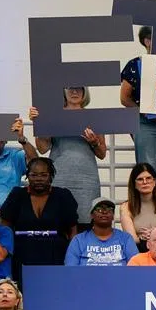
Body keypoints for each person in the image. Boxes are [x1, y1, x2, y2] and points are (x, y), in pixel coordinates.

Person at [29, 94, 107, 228]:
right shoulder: (53, 116)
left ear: (85, 91)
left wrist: (94, 142)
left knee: (85, 223)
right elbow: (42, 148)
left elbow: (102, 153)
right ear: (64, 91)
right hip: (59, 177)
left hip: (86, 180)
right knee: (58, 222)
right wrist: (40, 123)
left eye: (79, 88)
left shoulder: (93, 117)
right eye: (71, 88)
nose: (75, 92)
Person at [120, 25, 156, 200]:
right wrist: (144, 111)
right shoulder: (135, 65)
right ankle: (145, 211)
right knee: (146, 170)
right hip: (145, 124)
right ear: (147, 41)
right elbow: (124, 98)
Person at [0, 157, 78, 284]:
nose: (38, 179)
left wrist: (71, 257)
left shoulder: (63, 196)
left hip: (56, 254)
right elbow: (5, 227)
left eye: (43, 175)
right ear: (27, 176)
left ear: (51, 176)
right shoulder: (17, 195)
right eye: (34, 175)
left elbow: (72, 229)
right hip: (23, 253)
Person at [119, 162, 156, 252]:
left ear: (154, 182)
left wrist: (154, 235)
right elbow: (131, 239)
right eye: (140, 179)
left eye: (149, 178)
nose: (145, 182)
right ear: (134, 184)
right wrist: (145, 238)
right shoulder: (125, 207)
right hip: (137, 251)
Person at [64, 198, 138, 266]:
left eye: (109, 209)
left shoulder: (126, 238)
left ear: (113, 216)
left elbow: (135, 268)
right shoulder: (78, 240)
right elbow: (71, 269)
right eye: (99, 209)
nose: (104, 212)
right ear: (92, 215)